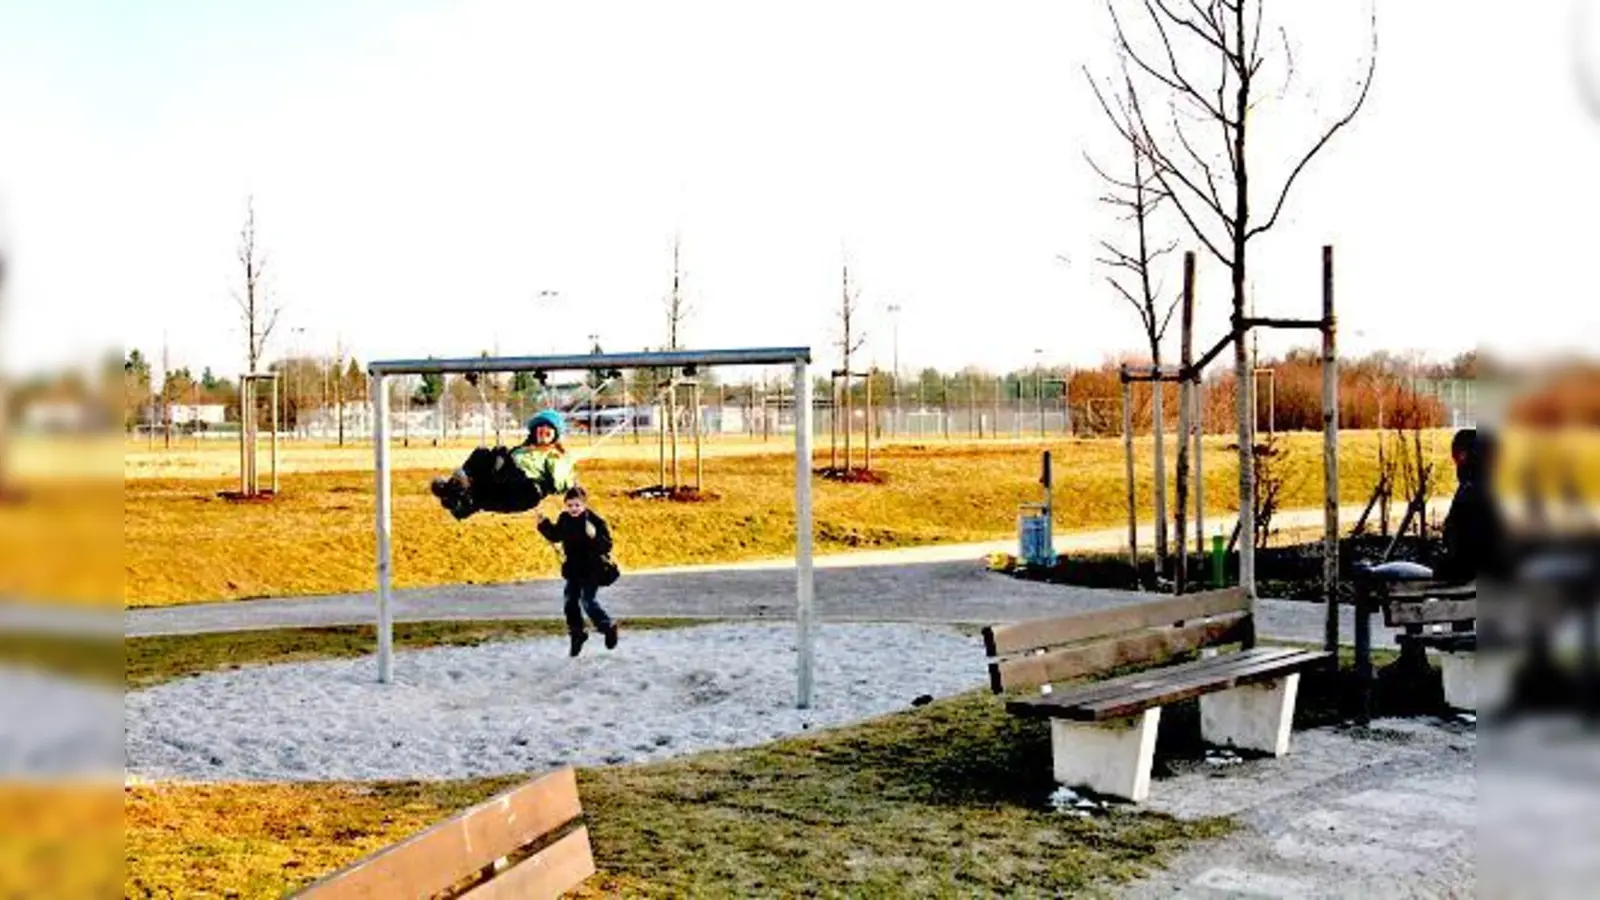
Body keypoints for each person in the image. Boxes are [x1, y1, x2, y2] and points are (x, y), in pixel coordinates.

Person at [536, 486, 619, 657]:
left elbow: (607, 545)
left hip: (592, 568)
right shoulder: (565, 518)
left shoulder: (594, 521)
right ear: (566, 505)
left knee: (587, 600)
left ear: (584, 505)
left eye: (577, 505)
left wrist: (594, 536)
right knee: (570, 601)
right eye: (570, 505)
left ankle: (608, 627)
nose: (573, 509)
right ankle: (577, 634)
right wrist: (543, 524)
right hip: (574, 568)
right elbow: (556, 535)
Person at [1434, 427, 1507, 584]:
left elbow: (1464, 547)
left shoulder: (1470, 491)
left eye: (1455, 458)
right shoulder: (1495, 487)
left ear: (1462, 456)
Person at [512, 409, 579, 498]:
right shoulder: (519, 451)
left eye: (549, 426)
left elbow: (560, 483)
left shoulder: (555, 456)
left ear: (556, 434)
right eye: (540, 425)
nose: (544, 429)